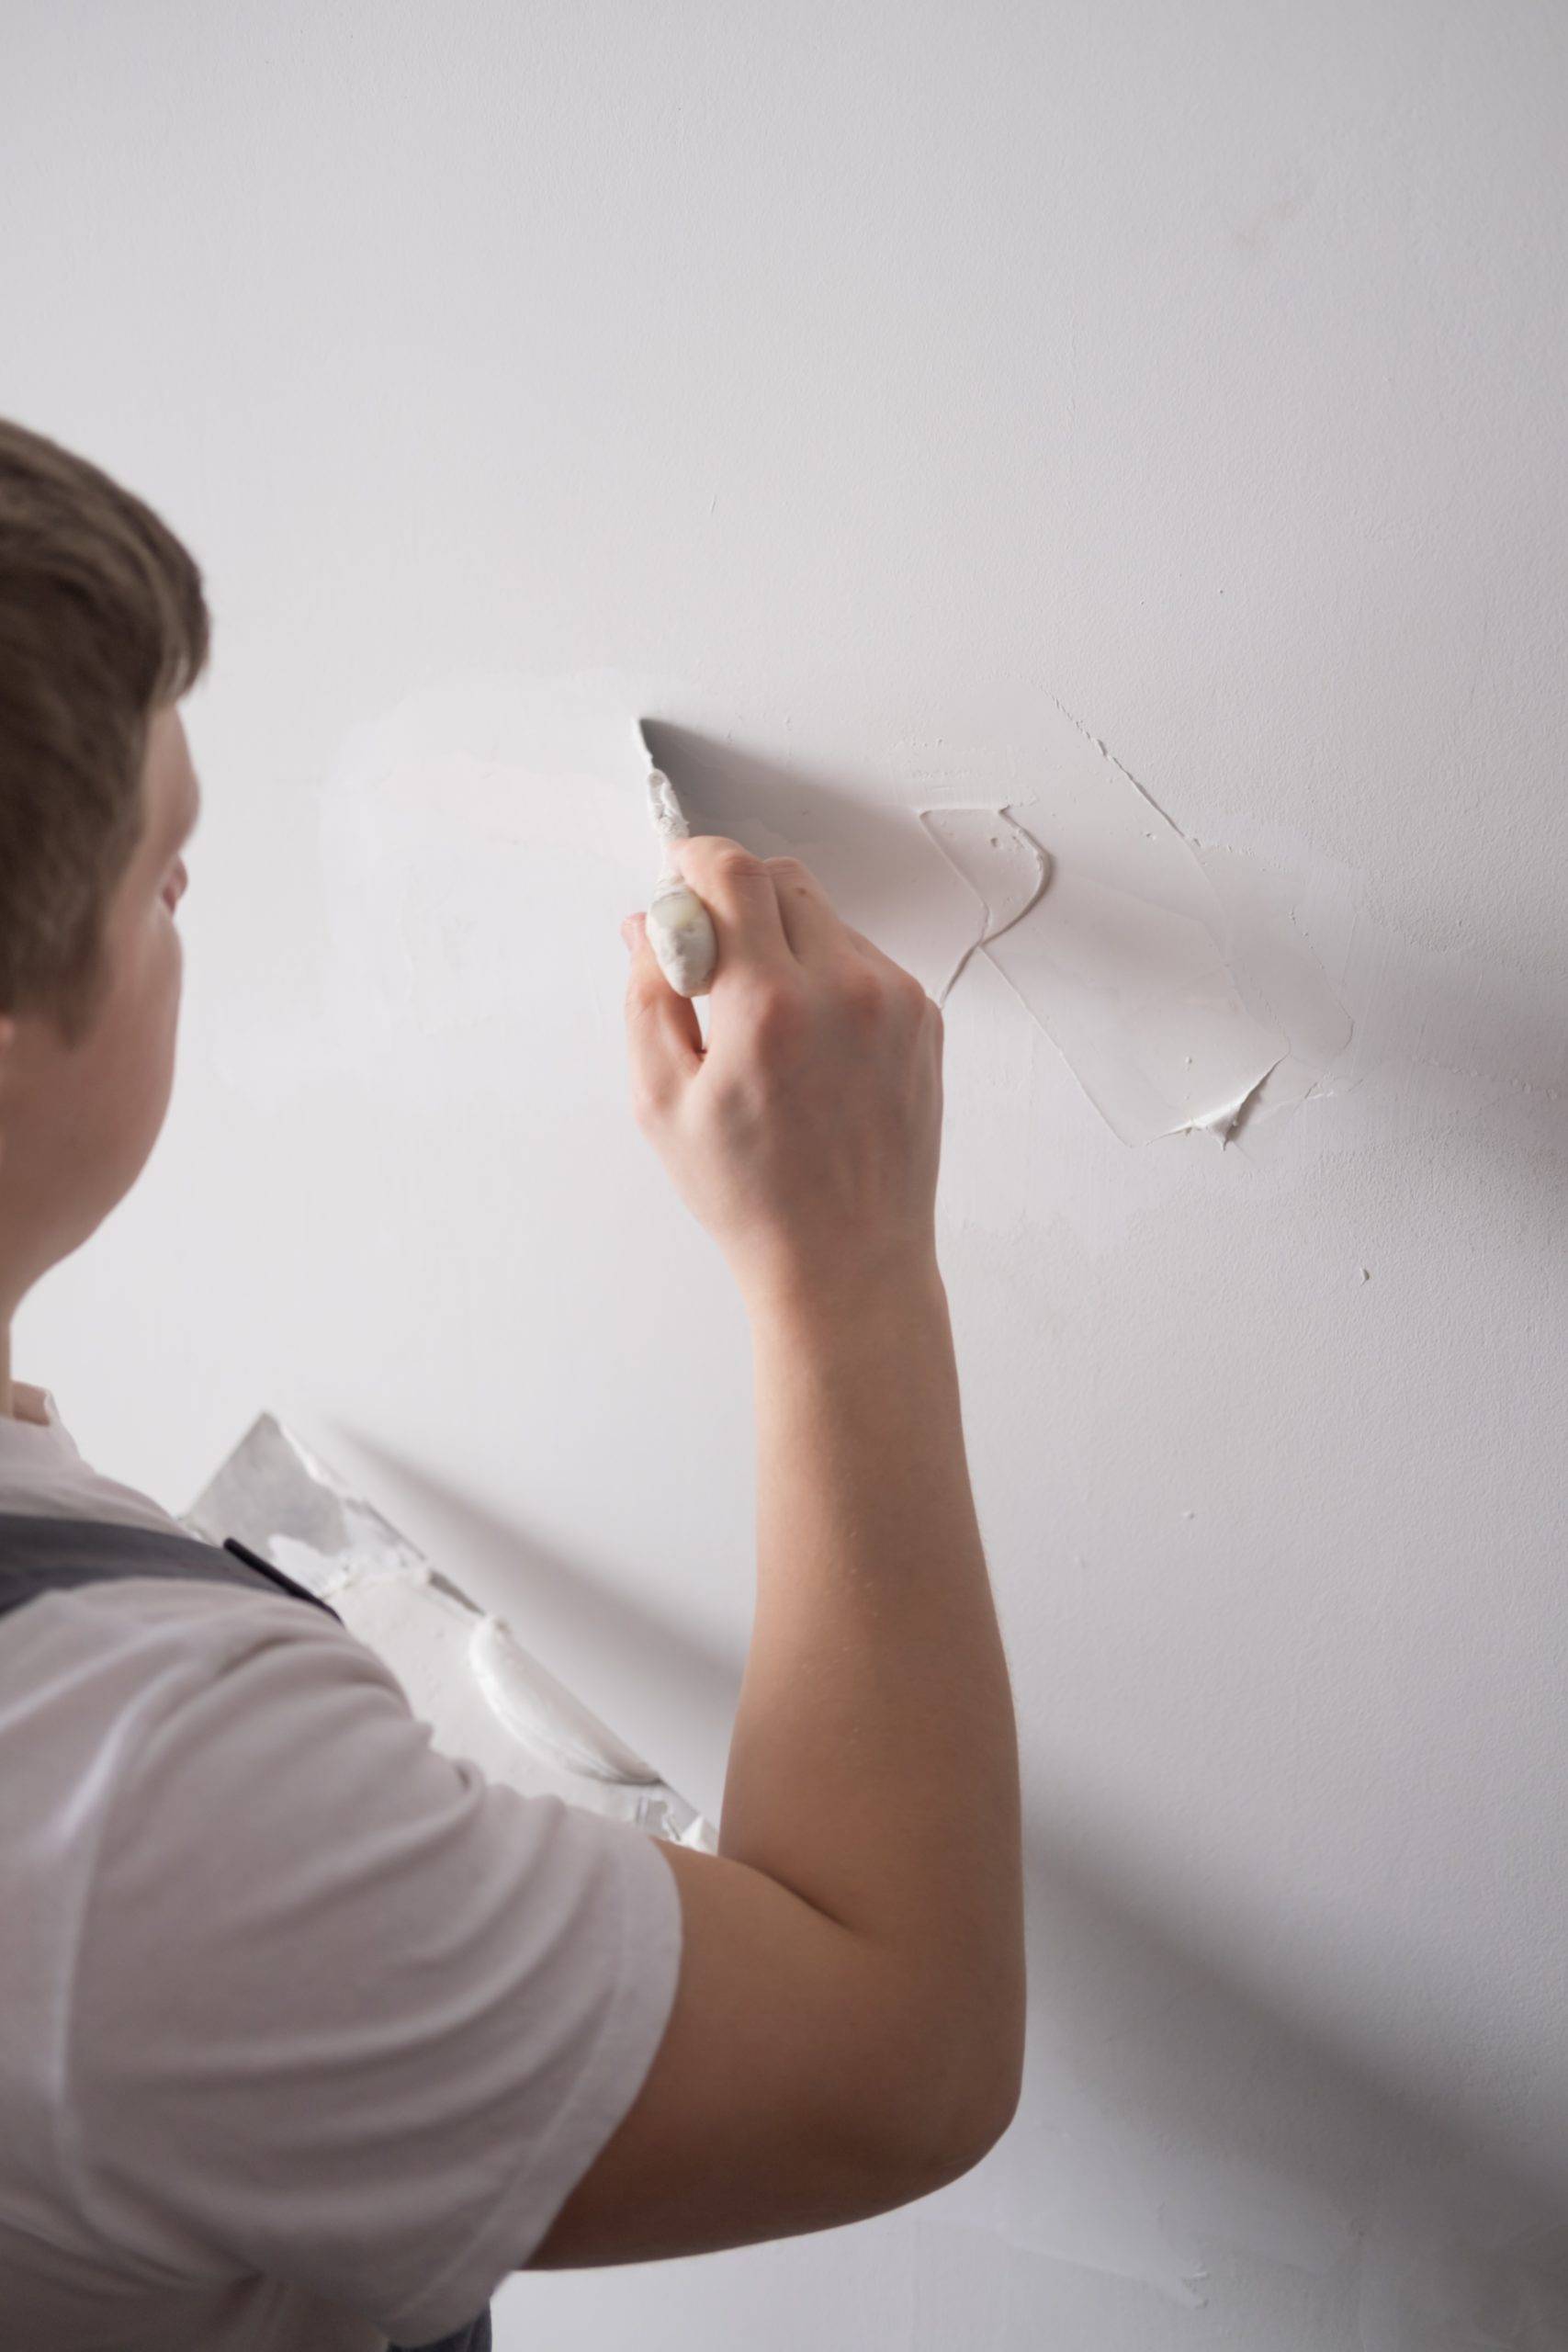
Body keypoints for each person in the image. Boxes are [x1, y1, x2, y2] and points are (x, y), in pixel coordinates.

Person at [0, 416, 1025, 2351]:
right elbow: (899, 2050)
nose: (192, 913)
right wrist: (843, 1265)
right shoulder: (122, 1814)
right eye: (166, 881)